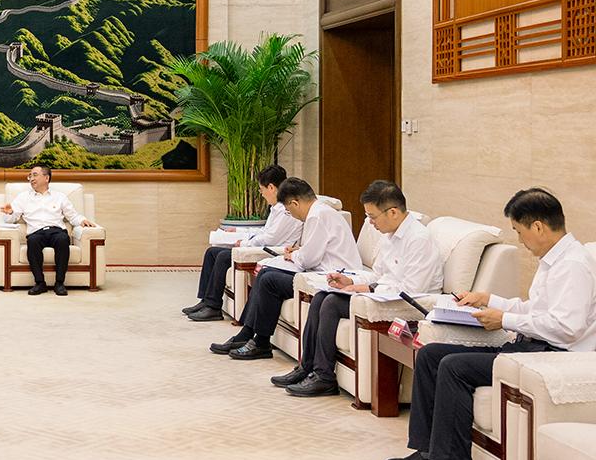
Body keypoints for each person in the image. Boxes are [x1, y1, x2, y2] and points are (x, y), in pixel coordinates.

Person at [385, 188, 596, 460]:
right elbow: (536, 310)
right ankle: (430, 452)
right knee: (430, 354)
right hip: (531, 346)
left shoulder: (573, 265)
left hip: (552, 356)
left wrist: (504, 320)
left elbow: (567, 329)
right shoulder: (554, 260)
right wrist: (489, 300)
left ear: (538, 227)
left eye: (520, 231)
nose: (520, 240)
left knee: (454, 367)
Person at [275, 180, 443, 397]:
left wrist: (368, 289)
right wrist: (350, 282)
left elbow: (411, 291)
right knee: (321, 296)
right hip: (384, 297)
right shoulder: (389, 236)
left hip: (407, 306)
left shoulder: (418, 240)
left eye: (372, 216)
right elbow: (378, 274)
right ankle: (307, 368)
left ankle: (324, 377)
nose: (370, 223)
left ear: (393, 212)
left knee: (331, 303)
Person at [210, 177, 362, 359]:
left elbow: (307, 261)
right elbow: (316, 251)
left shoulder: (317, 216)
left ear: (295, 203)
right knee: (266, 273)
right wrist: (299, 252)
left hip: (329, 279)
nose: (292, 215)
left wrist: (293, 255)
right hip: (321, 272)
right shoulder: (321, 212)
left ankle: (260, 342)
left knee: (269, 280)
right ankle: (248, 334)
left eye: (289, 211)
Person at [184, 164, 302, 321]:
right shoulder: (277, 208)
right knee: (212, 252)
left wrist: (243, 244)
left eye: (262, 190)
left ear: (272, 187)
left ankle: (213, 307)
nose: (262, 194)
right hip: (262, 247)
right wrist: (239, 232)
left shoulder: (286, 210)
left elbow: (269, 239)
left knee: (223, 256)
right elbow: (264, 232)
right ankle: (205, 301)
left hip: (272, 252)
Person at [0, 164, 98, 296]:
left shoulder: (60, 197)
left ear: (46, 178)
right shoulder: (23, 197)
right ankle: (40, 282)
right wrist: (9, 213)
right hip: (36, 232)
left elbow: (72, 216)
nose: (31, 178)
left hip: (56, 231)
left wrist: (82, 221)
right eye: (30, 176)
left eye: (35, 175)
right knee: (32, 242)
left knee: (63, 240)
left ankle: (59, 283)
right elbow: (10, 220)